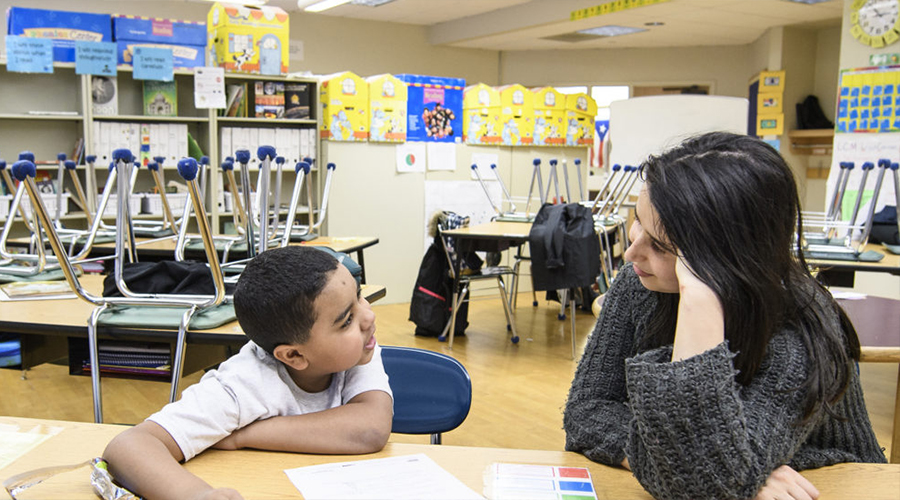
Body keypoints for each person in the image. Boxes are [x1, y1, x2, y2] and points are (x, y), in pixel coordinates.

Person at [564, 132, 886, 500]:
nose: (631, 252)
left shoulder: (801, 331)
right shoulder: (640, 284)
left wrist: (699, 298)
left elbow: (700, 484)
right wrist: (737, 471)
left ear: (722, 261)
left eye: (660, 246)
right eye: (637, 221)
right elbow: (587, 411)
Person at [103, 246, 393, 500]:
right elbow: (130, 446)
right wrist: (197, 495)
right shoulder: (244, 382)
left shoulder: (360, 349)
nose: (369, 316)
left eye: (359, 297)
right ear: (293, 355)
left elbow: (370, 429)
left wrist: (245, 434)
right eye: (346, 320)